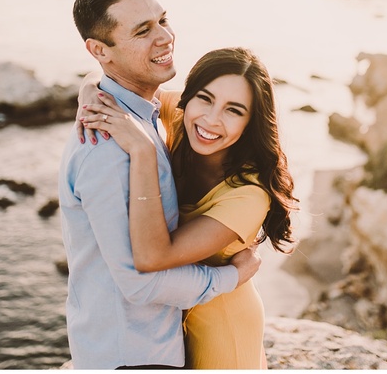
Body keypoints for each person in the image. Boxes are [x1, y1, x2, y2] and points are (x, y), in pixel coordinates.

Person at [59, 0, 262, 369]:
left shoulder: (149, 115)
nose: (165, 37)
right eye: (142, 31)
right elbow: (140, 280)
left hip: (154, 345)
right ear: (100, 50)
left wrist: (91, 86)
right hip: (131, 356)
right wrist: (231, 277)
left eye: (163, 21)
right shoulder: (110, 149)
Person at [77, 46, 298, 369]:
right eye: (205, 98)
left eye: (233, 110)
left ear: (251, 123)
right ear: (190, 95)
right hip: (167, 320)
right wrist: (89, 91)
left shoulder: (249, 195)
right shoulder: (183, 116)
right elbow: (108, 79)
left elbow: (153, 257)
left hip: (220, 326)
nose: (211, 119)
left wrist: (142, 149)